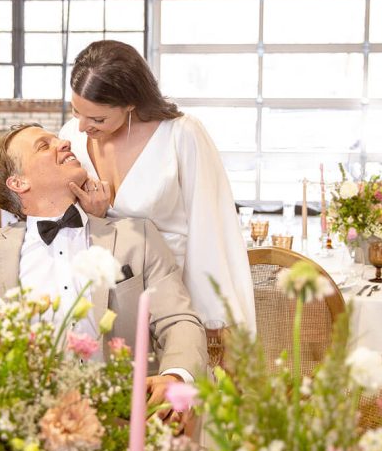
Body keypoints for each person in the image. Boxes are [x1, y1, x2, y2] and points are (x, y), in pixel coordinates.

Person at [0, 123, 207, 412]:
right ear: (19, 183)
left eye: (58, 139)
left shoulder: (137, 237)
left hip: (122, 417)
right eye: (43, 145)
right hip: (17, 421)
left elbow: (178, 320)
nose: (64, 144)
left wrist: (175, 375)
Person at [59, 40, 256, 335]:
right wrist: (93, 217)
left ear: (130, 103)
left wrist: (213, 316)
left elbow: (210, 227)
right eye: (76, 112)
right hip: (94, 297)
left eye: (97, 118)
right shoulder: (71, 137)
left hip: (168, 297)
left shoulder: (181, 135)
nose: (83, 127)